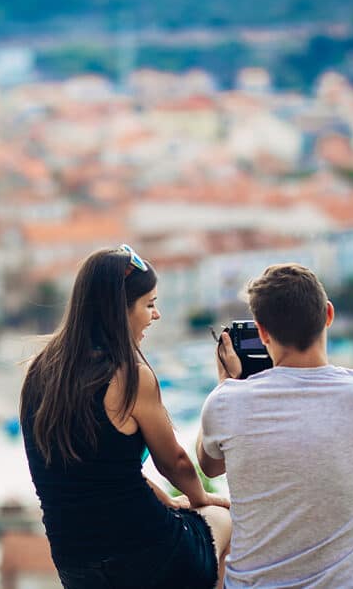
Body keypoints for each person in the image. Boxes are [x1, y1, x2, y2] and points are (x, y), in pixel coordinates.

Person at [197, 263, 353, 588]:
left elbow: (210, 466)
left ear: (263, 332)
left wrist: (227, 385)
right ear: (328, 314)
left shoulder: (227, 402)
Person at [21, 245, 232, 589]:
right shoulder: (128, 377)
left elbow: (98, 470)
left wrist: (167, 500)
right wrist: (199, 499)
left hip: (76, 565)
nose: (156, 314)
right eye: (149, 304)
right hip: (146, 555)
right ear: (118, 310)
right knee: (223, 520)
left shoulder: (40, 373)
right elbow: (176, 462)